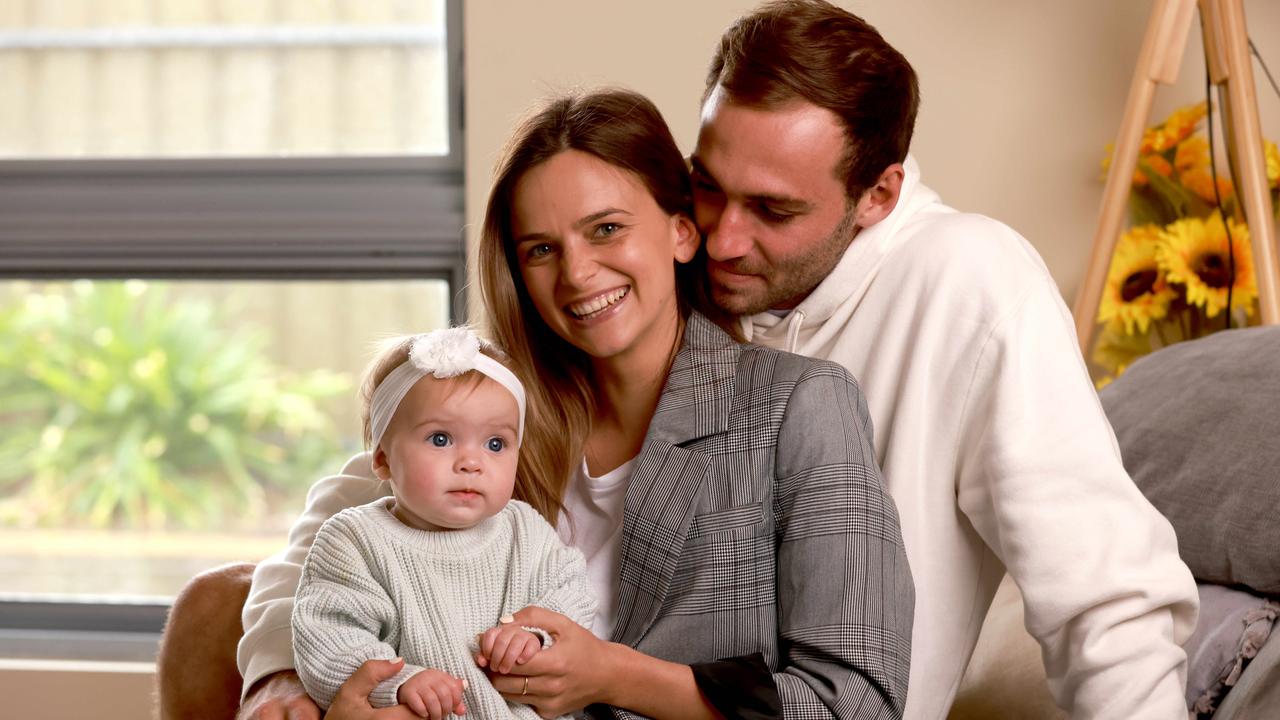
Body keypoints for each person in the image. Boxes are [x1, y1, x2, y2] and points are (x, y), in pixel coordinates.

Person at [158, 88, 914, 720]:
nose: (579, 274)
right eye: (541, 249)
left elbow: (857, 697)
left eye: (607, 230)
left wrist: (615, 676)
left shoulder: (794, 405)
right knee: (213, 605)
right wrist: (285, 679)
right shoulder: (493, 403)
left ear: (682, 232)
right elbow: (334, 530)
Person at [687, 1, 1198, 719]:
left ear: (879, 195)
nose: (719, 240)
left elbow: (1103, 599)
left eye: (773, 211)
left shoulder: (971, 284)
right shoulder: (664, 262)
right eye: (707, 185)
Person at [290, 327, 594, 720]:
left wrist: (536, 637)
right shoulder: (355, 541)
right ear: (382, 458)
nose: (471, 461)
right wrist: (398, 683)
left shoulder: (524, 530)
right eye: (440, 439)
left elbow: (570, 595)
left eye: (496, 444)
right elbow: (329, 636)